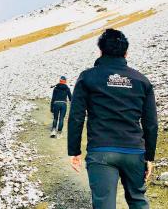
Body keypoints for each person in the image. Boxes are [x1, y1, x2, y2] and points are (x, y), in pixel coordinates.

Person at [68, 29, 158, 209]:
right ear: (126, 52)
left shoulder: (88, 77)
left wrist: (74, 151)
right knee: (138, 200)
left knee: (104, 204)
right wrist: (149, 156)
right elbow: (151, 123)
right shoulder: (142, 81)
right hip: (134, 152)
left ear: (100, 51)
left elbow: (76, 116)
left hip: (101, 151)